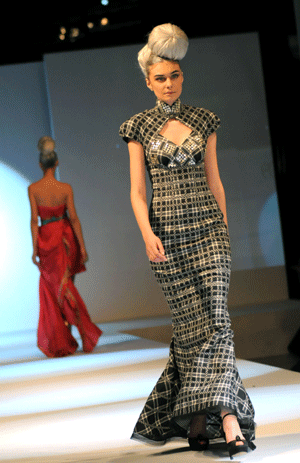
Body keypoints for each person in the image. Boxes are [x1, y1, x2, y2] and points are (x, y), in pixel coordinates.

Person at [119, 24, 256, 458]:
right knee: (192, 328)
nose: (169, 84)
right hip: (168, 239)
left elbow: (215, 181)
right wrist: (146, 234)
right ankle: (198, 418)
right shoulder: (137, 128)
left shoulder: (204, 119)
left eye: (175, 76)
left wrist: (226, 232)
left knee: (217, 319)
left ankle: (228, 417)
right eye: (160, 78)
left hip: (209, 231)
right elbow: (137, 192)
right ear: (148, 81)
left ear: (182, 76)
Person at [28, 136, 102, 357]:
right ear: (57, 163)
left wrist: (34, 248)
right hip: (66, 238)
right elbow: (75, 218)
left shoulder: (33, 189)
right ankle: (72, 336)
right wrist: (83, 246)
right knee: (66, 286)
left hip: (47, 240)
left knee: (54, 290)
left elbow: (34, 220)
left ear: (41, 164)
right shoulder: (65, 188)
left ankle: (64, 341)